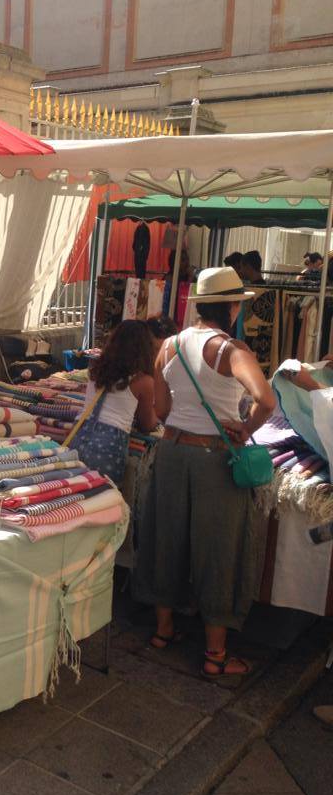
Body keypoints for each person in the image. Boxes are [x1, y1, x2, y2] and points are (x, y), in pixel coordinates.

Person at [135, 266, 276, 680]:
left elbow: (161, 412)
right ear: (232, 307)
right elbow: (265, 399)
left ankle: (163, 631)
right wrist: (246, 428)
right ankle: (215, 652)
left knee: (166, 538)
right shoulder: (232, 351)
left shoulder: (169, 346)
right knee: (218, 549)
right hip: (214, 458)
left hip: (172, 452)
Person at [73, 320, 159, 487]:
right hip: (108, 447)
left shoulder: (95, 370)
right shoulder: (143, 381)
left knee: (77, 496)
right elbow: (147, 424)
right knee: (103, 498)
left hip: (80, 436)